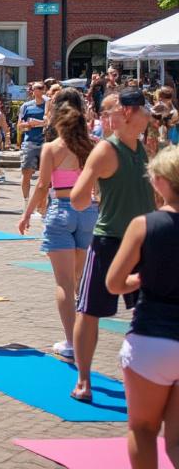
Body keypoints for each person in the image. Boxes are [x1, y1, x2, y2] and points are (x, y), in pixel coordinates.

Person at [69, 86, 154, 403]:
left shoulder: (140, 148)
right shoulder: (106, 150)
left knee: (147, 311)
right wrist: (91, 189)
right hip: (109, 242)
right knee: (89, 311)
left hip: (143, 244)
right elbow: (78, 199)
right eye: (144, 109)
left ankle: (145, 377)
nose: (148, 114)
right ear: (129, 113)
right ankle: (83, 380)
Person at [106, 145, 179, 469]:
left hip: (151, 340)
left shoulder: (145, 224)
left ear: (161, 182)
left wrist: (138, 279)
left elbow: (114, 283)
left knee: (143, 429)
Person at [17, 104, 99, 359]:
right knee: (79, 280)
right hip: (87, 211)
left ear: (59, 125)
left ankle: (71, 341)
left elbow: (42, 186)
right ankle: (84, 339)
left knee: (63, 282)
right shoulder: (92, 146)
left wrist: (27, 213)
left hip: (62, 209)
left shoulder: (51, 149)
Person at [19, 82, 49, 204]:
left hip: (45, 142)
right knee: (26, 172)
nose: (39, 91)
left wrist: (41, 123)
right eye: (36, 88)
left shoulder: (48, 105)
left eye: (41, 88)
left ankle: (41, 204)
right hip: (30, 142)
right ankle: (26, 201)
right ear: (32, 90)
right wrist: (29, 124)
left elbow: (50, 121)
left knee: (45, 175)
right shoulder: (26, 106)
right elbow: (20, 126)